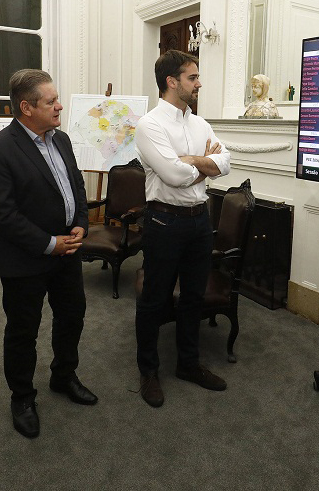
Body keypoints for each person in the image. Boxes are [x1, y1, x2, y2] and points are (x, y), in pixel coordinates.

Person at [0, 69, 95, 439]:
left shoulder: (62, 140)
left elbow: (76, 186)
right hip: (25, 259)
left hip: (68, 253)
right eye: (51, 101)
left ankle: (64, 376)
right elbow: (2, 214)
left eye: (57, 99)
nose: (59, 106)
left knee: (71, 316)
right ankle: (23, 398)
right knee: (23, 331)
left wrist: (81, 223)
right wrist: (49, 243)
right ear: (26, 108)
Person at [135, 50, 231, 408]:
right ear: (171, 82)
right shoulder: (150, 125)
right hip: (164, 222)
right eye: (193, 77)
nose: (199, 83)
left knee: (193, 296)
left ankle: (188, 365)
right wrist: (203, 165)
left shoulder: (200, 124)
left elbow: (226, 163)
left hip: (199, 221)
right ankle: (148, 371)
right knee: (154, 299)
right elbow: (174, 176)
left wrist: (191, 161)